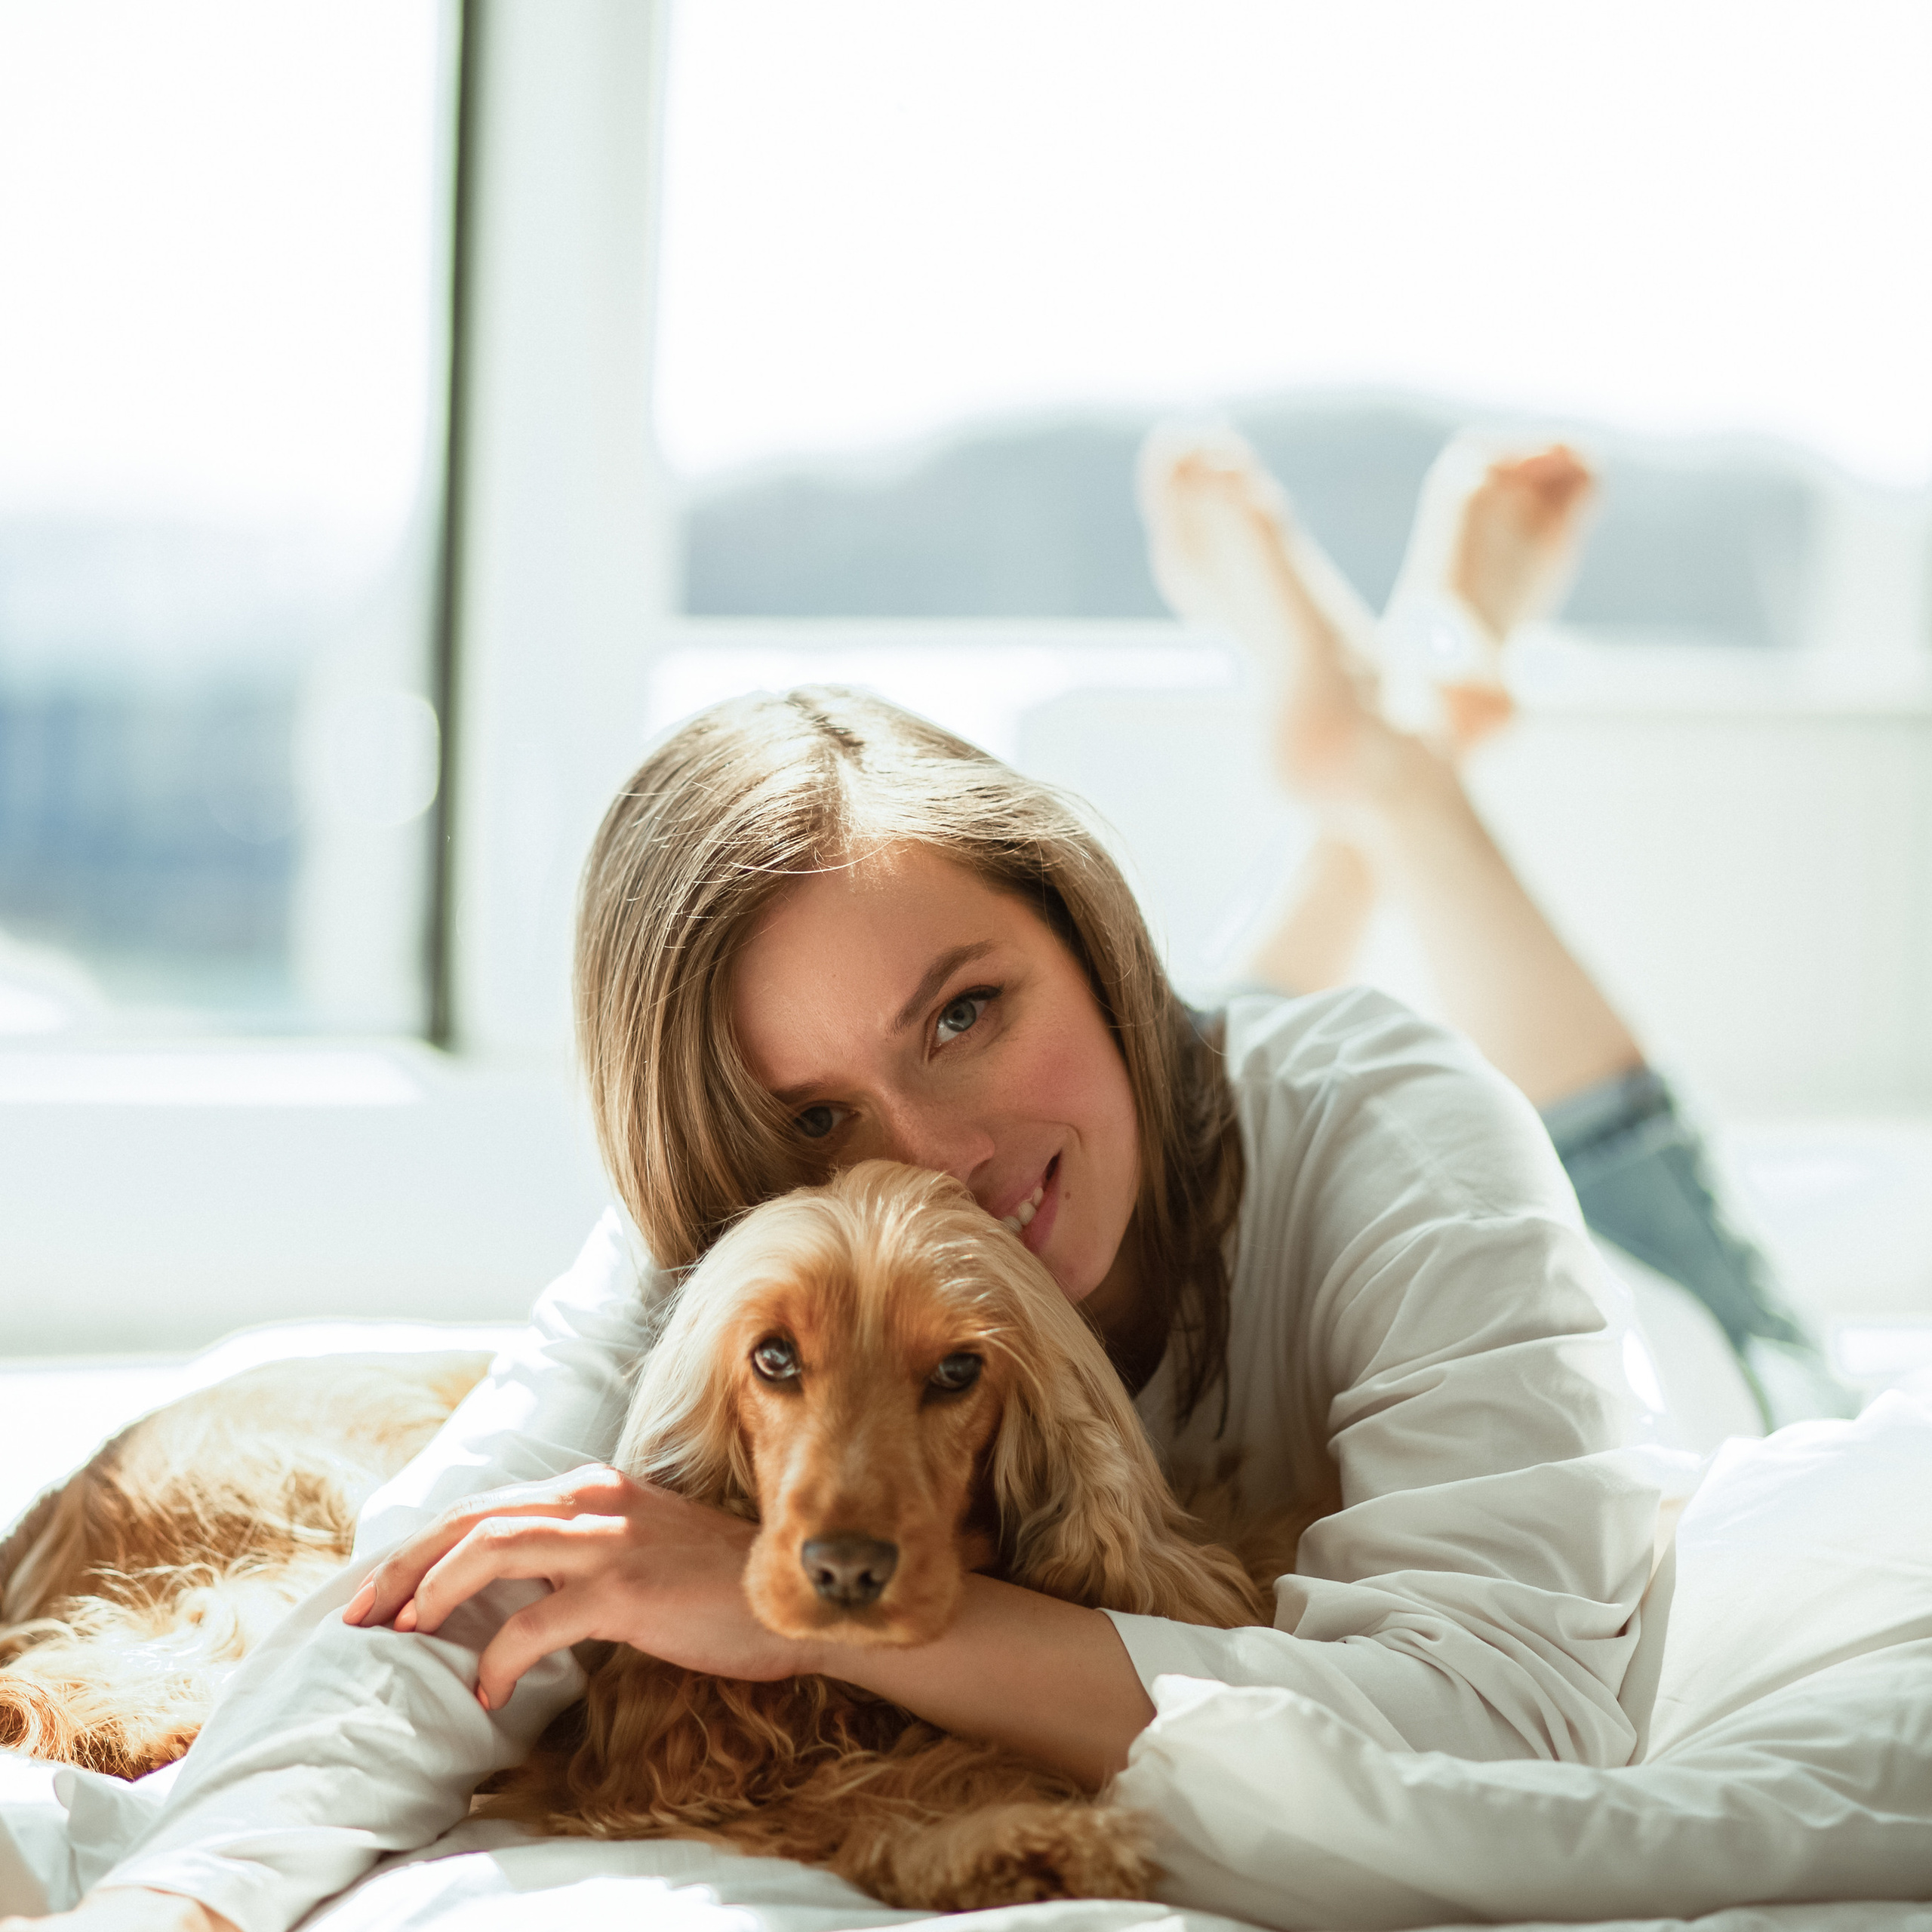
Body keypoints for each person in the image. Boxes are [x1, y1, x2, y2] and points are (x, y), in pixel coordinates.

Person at [3, 429, 1825, 1932]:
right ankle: (1369, 758)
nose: (929, 1155)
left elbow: (1504, 1732)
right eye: (815, 1115)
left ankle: (1399, 768)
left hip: (1651, 1282)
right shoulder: (739, 1243)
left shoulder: (1404, 1134)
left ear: (1095, 943)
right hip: (1157, 1090)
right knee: (1124, 1100)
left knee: (1604, 1156)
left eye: (965, 1009)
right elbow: (429, 1597)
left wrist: (804, 1602)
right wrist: (183, 1896)